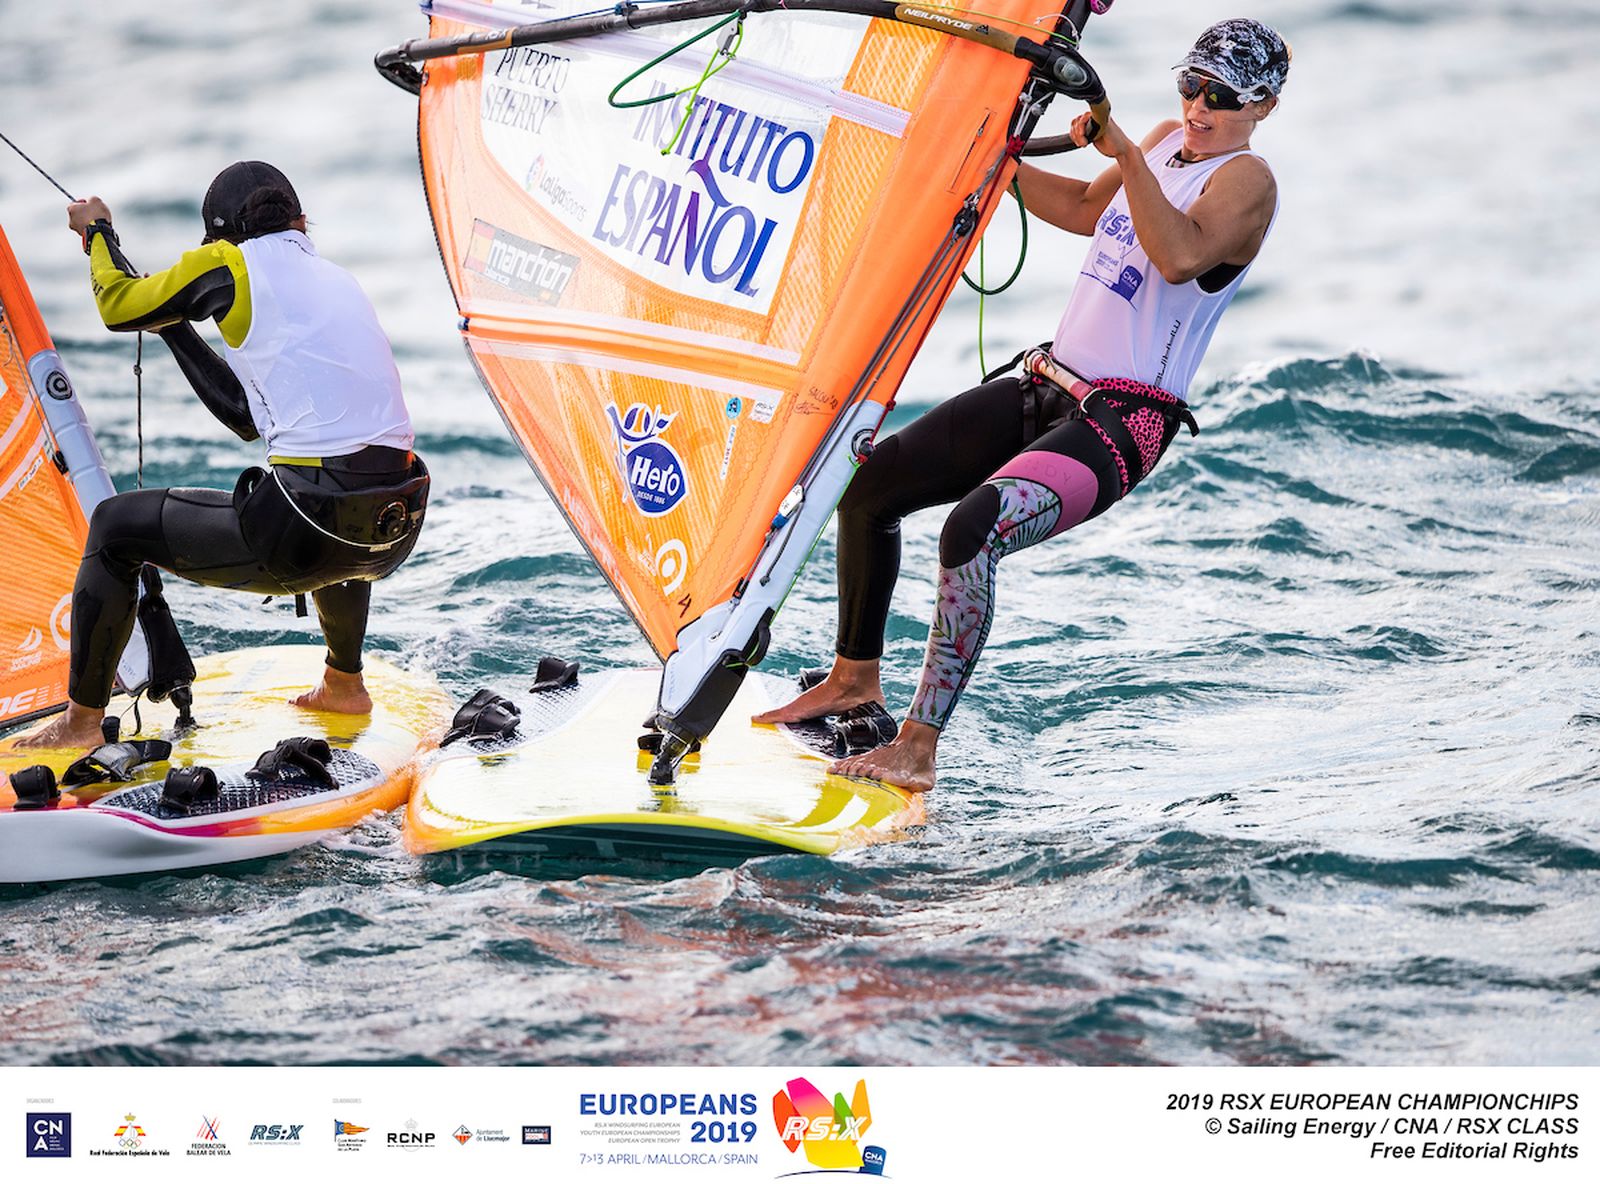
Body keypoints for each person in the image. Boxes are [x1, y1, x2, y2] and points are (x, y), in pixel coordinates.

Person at [755, 19, 1290, 791]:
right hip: (1049, 383)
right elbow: (1080, 206)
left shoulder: (1247, 179)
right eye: (1189, 84)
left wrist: (1128, 155)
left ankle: (917, 749)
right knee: (871, 487)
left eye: (1221, 96)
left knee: (972, 531)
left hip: (1121, 424)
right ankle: (853, 679)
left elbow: (1178, 255)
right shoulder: (1172, 138)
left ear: (1263, 106)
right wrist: (992, 160)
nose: (1199, 106)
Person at [18, 161, 428, 750]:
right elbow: (243, 413)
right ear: (299, 220)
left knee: (113, 527)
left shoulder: (229, 262)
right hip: (393, 526)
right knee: (337, 484)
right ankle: (344, 683)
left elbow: (117, 305)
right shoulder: (335, 277)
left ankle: (81, 724)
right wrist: (173, 327)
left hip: (303, 532)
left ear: (219, 238)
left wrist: (99, 235)